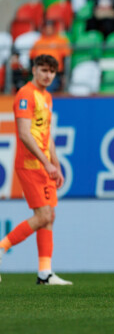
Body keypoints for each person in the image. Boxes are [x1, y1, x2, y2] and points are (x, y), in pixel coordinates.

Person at [0, 54, 72, 285]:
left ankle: (45, 273)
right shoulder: (26, 95)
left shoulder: (47, 97)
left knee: (49, 217)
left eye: (52, 71)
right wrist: (46, 162)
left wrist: (56, 163)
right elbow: (24, 133)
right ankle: (2, 248)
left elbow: (46, 134)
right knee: (43, 215)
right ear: (34, 70)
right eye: (43, 70)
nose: (48, 75)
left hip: (44, 165)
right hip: (30, 165)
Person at [29, 20, 71, 93]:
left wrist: (64, 75)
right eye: (46, 28)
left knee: (46, 90)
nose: (48, 30)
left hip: (54, 74)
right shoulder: (38, 42)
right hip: (39, 74)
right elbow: (32, 59)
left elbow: (66, 59)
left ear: (54, 28)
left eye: (50, 28)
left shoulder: (61, 41)